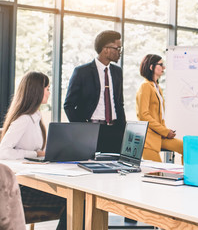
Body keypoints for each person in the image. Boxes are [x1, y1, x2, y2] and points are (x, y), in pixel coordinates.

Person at [0, 72, 66, 229]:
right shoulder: (23, 120)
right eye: (47, 88)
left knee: (77, 199)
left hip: (34, 182)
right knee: (74, 200)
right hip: (25, 189)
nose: (49, 93)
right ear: (36, 90)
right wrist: (35, 154)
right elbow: (3, 151)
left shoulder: (36, 118)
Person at [64, 30, 126, 154]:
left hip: (115, 131)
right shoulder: (82, 72)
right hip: (92, 130)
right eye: (118, 48)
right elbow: (69, 105)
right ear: (105, 49)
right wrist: (82, 128)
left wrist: (123, 128)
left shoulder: (117, 72)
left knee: (115, 170)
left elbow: (119, 102)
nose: (120, 52)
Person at [136, 54, 183, 162]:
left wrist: (165, 132)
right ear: (151, 67)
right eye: (161, 65)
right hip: (149, 139)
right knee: (157, 174)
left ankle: (187, 177)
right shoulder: (145, 86)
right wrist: (165, 131)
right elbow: (144, 115)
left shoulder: (156, 87)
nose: (164, 68)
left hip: (160, 136)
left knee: (187, 148)